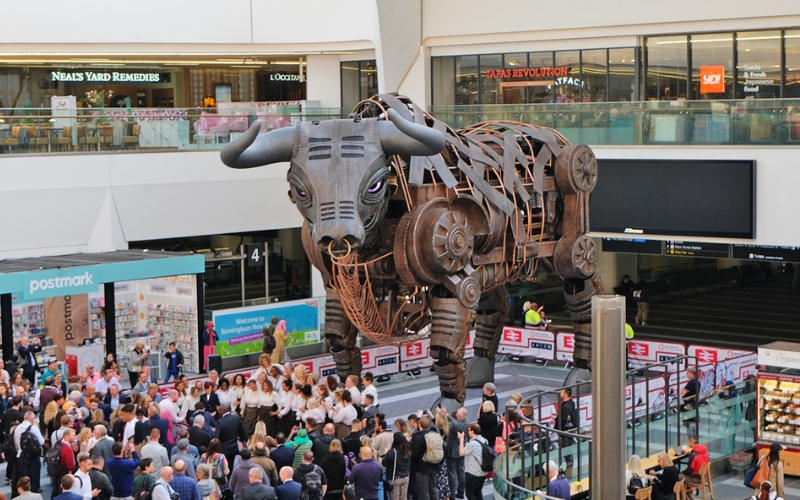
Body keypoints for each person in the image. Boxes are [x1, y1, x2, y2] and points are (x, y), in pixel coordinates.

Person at [410, 416, 440, 500]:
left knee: (424, 490)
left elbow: (414, 454)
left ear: (419, 425)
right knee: (433, 488)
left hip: (422, 467)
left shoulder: (418, 437)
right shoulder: (434, 434)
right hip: (434, 465)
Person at [14, 411, 44, 493]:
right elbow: (41, 442)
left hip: (21, 454)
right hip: (33, 454)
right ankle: (34, 491)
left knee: (24, 475)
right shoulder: (33, 428)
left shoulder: (17, 428)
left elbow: (16, 443)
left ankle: (24, 491)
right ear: (31, 418)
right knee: (34, 474)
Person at [214, 403, 248, 470]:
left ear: (223, 410)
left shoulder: (220, 422)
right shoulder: (236, 418)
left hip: (223, 449)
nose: (218, 412)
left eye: (219, 410)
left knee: (224, 468)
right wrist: (243, 439)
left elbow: (216, 438)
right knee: (231, 466)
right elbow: (243, 433)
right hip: (234, 447)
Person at [382, 433, 411, 500]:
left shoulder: (392, 452)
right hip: (405, 476)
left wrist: (385, 454)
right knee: (403, 497)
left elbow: (384, 463)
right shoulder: (408, 451)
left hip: (395, 478)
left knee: (395, 498)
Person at [557, 388, 579, 468]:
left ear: (566, 394)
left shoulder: (566, 407)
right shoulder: (571, 403)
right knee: (566, 451)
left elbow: (563, 419)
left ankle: (569, 467)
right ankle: (569, 466)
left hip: (566, 433)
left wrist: (556, 420)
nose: (560, 393)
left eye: (562, 392)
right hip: (568, 432)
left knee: (566, 451)